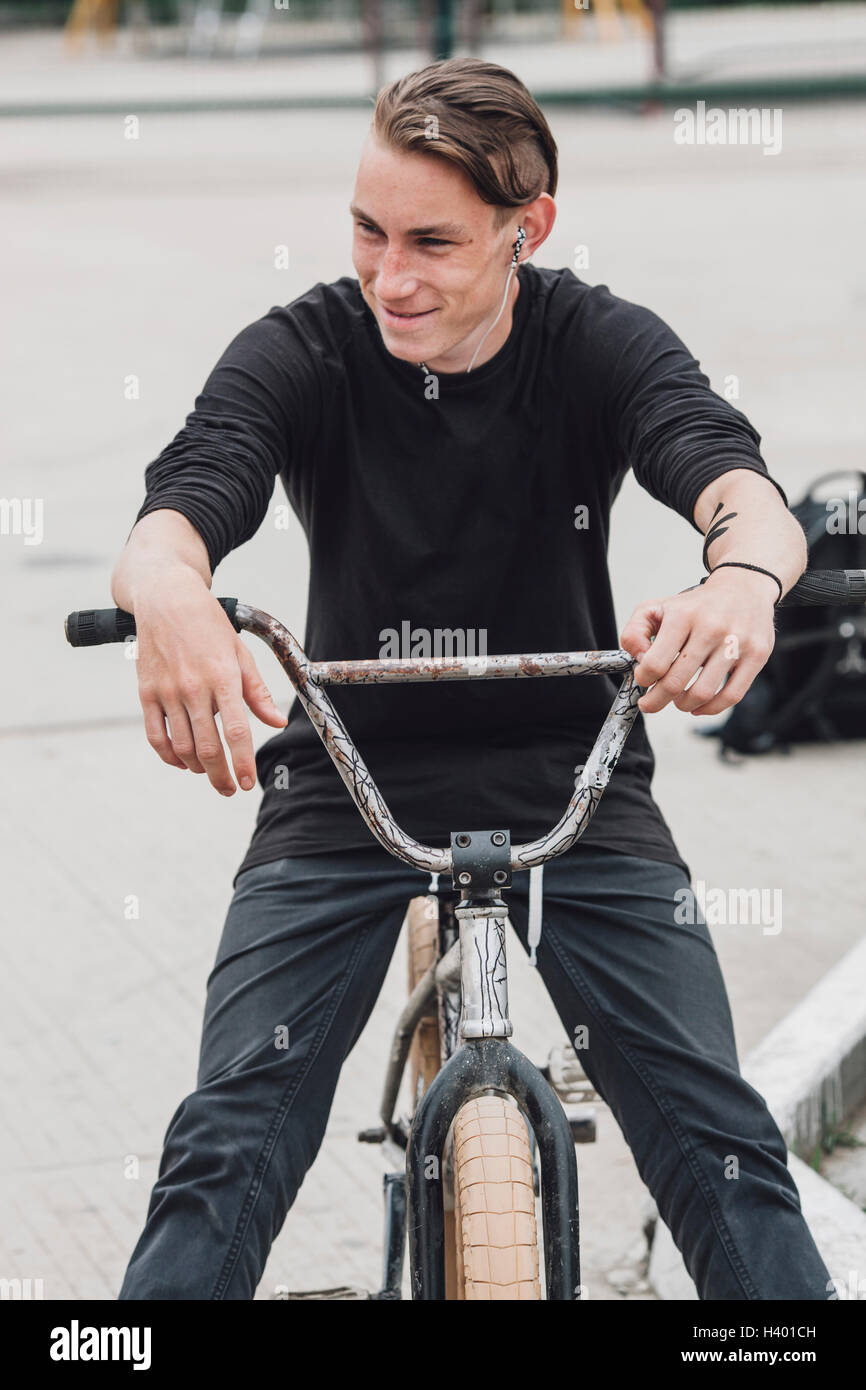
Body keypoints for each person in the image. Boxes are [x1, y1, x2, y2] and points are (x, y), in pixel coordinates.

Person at [113, 57, 828, 1301]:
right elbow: (184, 501)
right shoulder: (305, 350)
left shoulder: (597, 341)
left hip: (572, 775)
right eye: (367, 231)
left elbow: (738, 489)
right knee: (220, 1151)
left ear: (526, 227)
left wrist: (741, 582)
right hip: (345, 781)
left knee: (725, 1149)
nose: (389, 276)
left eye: (433, 241)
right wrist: (170, 592)